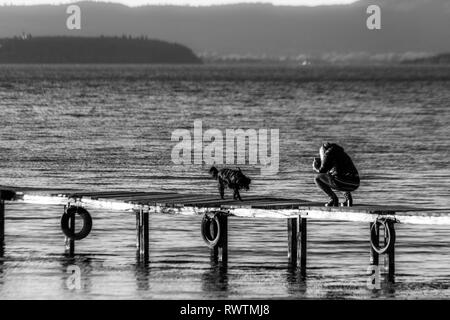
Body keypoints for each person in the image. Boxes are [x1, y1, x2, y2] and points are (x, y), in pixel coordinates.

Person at [313, 142, 360, 207]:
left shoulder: (328, 153)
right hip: (355, 183)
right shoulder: (342, 153)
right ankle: (348, 200)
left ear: (323, 151)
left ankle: (333, 199)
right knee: (337, 176)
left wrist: (315, 167)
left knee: (317, 178)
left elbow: (322, 171)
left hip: (343, 182)